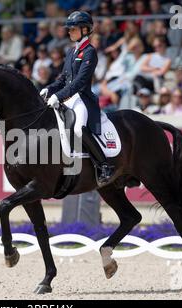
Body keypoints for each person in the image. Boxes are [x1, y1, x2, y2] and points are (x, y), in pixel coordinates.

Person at [40, 11, 113, 184]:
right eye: (69, 29)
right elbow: (63, 79)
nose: (69, 32)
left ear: (85, 29)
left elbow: (80, 81)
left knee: (79, 129)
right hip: (68, 97)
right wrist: (48, 89)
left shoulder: (89, 52)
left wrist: (58, 95)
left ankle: (104, 166)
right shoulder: (72, 51)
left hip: (82, 98)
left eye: (73, 29)